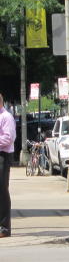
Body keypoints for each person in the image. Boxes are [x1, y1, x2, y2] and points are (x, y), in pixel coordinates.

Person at [0, 93, 16, 238]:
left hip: (3, 156)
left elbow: (8, 138)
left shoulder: (6, 117)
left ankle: (4, 228)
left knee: (2, 189)